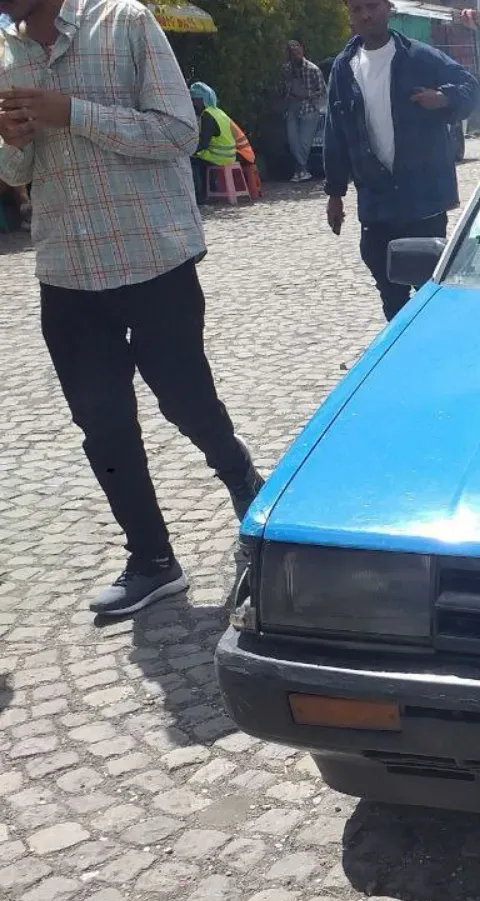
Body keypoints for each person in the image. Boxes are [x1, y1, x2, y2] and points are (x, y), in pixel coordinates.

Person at [0, 0, 263, 616]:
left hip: (153, 259)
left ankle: (243, 482)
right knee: (102, 425)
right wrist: (11, 143)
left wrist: (74, 112)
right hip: (66, 270)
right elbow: (16, 171)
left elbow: (179, 133)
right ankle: (151, 559)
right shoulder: (6, 56)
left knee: (188, 401)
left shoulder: (125, 22)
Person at [323, 0, 478, 321]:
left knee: (429, 290)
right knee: (389, 290)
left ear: (388, 8)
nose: (366, 15)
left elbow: (471, 88)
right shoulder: (343, 67)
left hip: (422, 200)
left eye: (372, 6)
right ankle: (400, 345)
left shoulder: (419, 58)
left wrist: (444, 98)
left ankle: (433, 344)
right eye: (356, 9)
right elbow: (335, 132)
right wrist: (335, 194)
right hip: (376, 200)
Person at [282, 38, 324, 183]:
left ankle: (300, 170)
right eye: (292, 52)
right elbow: (283, 87)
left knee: (304, 143)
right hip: (292, 107)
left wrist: (307, 95)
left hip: (309, 109)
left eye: (298, 51)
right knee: (293, 141)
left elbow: (322, 90)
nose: (296, 55)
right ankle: (303, 170)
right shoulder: (286, 69)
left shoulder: (313, 69)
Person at [189, 81, 236, 204]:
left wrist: (188, 151)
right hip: (230, 155)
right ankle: (211, 189)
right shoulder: (219, 112)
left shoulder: (207, 115)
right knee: (200, 157)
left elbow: (203, 144)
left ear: (201, 100)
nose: (193, 104)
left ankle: (201, 196)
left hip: (219, 155)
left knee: (192, 161)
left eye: (194, 100)